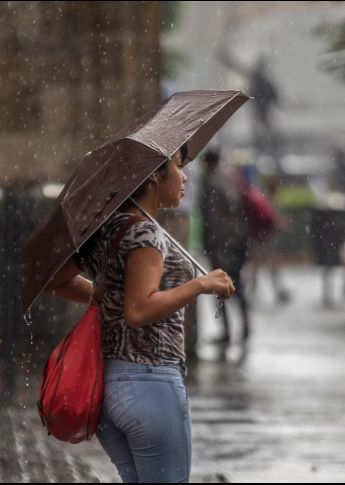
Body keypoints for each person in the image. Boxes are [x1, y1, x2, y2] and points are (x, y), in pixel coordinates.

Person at [43, 145, 237, 483]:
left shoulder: (110, 227)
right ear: (152, 175)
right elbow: (138, 310)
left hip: (108, 387)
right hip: (151, 382)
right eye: (177, 166)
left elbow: (54, 279)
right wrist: (200, 285)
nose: (185, 176)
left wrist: (101, 295)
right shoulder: (147, 234)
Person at [199, 148, 252, 344]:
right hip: (237, 240)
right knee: (236, 284)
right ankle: (245, 327)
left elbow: (212, 219)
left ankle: (227, 331)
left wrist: (213, 246)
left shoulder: (210, 182)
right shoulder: (229, 180)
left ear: (206, 163)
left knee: (222, 286)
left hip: (221, 244)